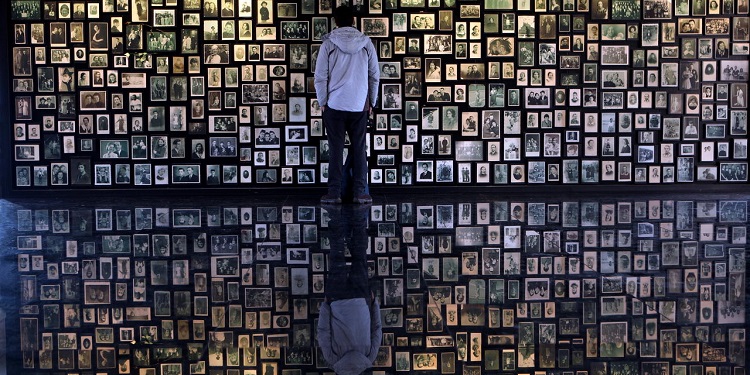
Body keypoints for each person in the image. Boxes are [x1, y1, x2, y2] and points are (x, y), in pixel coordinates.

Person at [315, 5, 379, 204]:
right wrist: (372, 102)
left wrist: (322, 101)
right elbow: (374, 76)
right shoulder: (366, 43)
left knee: (335, 149)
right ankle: (360, 192)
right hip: (359, 105)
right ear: (353, 20)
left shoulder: (328, 44)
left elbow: (320, 76)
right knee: (359, 149)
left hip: (334, 104)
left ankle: (334, 193)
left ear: (335, 21)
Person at [317, 206, 382, 375]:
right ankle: (335, 213)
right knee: (337, 253)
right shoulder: (334, 361)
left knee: (360, 255)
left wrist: (374, 305)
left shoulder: (369, 359)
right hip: (337, 300)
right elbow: (323, 332)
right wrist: (325, 307)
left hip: (360, 300)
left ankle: (359, 214)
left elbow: (377, 329)